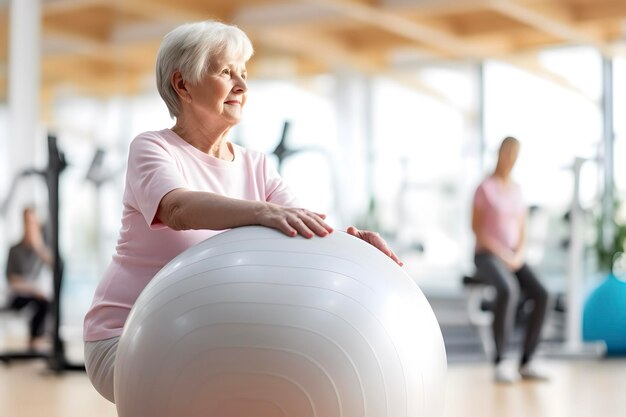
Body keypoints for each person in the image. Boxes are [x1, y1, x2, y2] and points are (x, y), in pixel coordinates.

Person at [83, 20, 402, 403]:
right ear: (182, 85)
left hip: (199, 331)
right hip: (127, 336)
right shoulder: (153, 148)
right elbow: (178, 208)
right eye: (225, 72)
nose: (242, 86)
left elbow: (304, 228)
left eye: (244, 74)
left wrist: (355, 247)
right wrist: (263, 213)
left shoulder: (256, 165)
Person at [471, 136, 550, 384]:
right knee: (508, 289)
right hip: (487, 255)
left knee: (543, 293)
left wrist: (519, 255)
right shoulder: (484, 188)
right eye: (507, 153)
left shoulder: (516, 190)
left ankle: (527, 360)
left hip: (514, 257)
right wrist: (502, 253)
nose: (510, 159)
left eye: (515, 154)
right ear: (500, 154)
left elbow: (523, 229)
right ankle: (501, 360)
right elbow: (477, 229)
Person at [5, 207, 52, 351]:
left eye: (33, 222)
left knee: (46, 302)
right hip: (18, 296)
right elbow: (12, 280)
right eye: (27, 221)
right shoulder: (14, 249)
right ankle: (33, 341)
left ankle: (39, 337)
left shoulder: (41, 250)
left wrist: (38, 246)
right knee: (40, 301)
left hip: (39, 295)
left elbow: (55, 266)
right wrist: (33, 289)